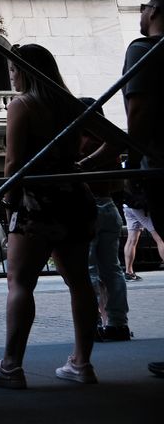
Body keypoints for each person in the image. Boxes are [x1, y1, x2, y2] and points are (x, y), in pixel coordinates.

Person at [0, 43, 98, 389]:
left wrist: (8, 198)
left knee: (20, 282)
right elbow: (116, 141)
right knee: (79, 282)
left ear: (25, 71)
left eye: (14, 70)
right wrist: (82, 165)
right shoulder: (70, 105)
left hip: (37, 202)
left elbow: (13, 163)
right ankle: (82, 362)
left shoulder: (22, 105)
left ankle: (11, 366)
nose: (11, 76)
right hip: (75, 198)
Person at [120, 0, 164, 379]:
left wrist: (131, 164)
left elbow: (139, 110)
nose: (141, 11)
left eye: (145, 6)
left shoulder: (143, 50)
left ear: (156, 12)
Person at [75, 98, 131, 342]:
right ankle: (118, 323)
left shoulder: (79, 141)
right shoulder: (109, 143)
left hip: (86, 207)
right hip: (108, 205)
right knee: (113, 269)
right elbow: (118, 182)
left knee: (88, 271)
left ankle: (93, 323)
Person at [121, 182, 164, 282]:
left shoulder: (129, 173)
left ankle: (129, 272)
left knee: (131, 239)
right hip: (140, 208)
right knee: (160, 238)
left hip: (128, 206)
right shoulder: (144, 173)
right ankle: (129, 272)